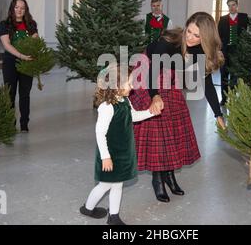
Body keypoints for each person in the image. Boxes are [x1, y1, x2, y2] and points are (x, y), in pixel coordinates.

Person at [129, 12, 225, 203]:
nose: (190, 38)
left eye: (196, 36)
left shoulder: (199, 51)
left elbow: (206, 83)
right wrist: (154, 96)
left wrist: (217, 114)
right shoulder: (168, 42)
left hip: (170, 79)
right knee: (157, 128)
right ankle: (157, 179)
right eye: (189, 31)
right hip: (148, 76)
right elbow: (152, 72)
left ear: (205, 38)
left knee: (173, 126)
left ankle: (169, 175)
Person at [80, 64, 159, 225]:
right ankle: (88, 208)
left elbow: (132, 116)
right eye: (129, 83)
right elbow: (100, 133)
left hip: (123, 152)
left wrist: (149, 112)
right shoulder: (107, 107)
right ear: (116, 85)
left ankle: (113, 216)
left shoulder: (124, 100)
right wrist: (106, 157)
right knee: (105, 185)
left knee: (117, 184)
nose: (132, 86)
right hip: (110, 154)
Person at [0, 0, 37, 133]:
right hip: (10, 62)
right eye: (16, 7)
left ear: (25, 10)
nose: (19, 10)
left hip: (28, 63)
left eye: (22, 8)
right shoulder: (4, 24)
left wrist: (33, 53)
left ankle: (24, 123)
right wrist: (21, 56)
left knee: (25, 94)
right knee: (10, 94)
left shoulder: (31, 24)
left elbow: (35, 42)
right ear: (12, 8)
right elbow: (6, 44)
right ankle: (10, 123)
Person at [217, 0, 249, 105]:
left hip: (238, 51)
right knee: (224, 75)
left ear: (237, 5)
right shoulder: (223, 19)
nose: (232, 7)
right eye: (229, 5)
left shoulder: (244, 18)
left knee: (235, 76)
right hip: (225, 51)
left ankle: (234, 99)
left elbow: (247, 34)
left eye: (233, 5)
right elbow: (219, 37)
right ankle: (224, 99)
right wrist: (219, 51)